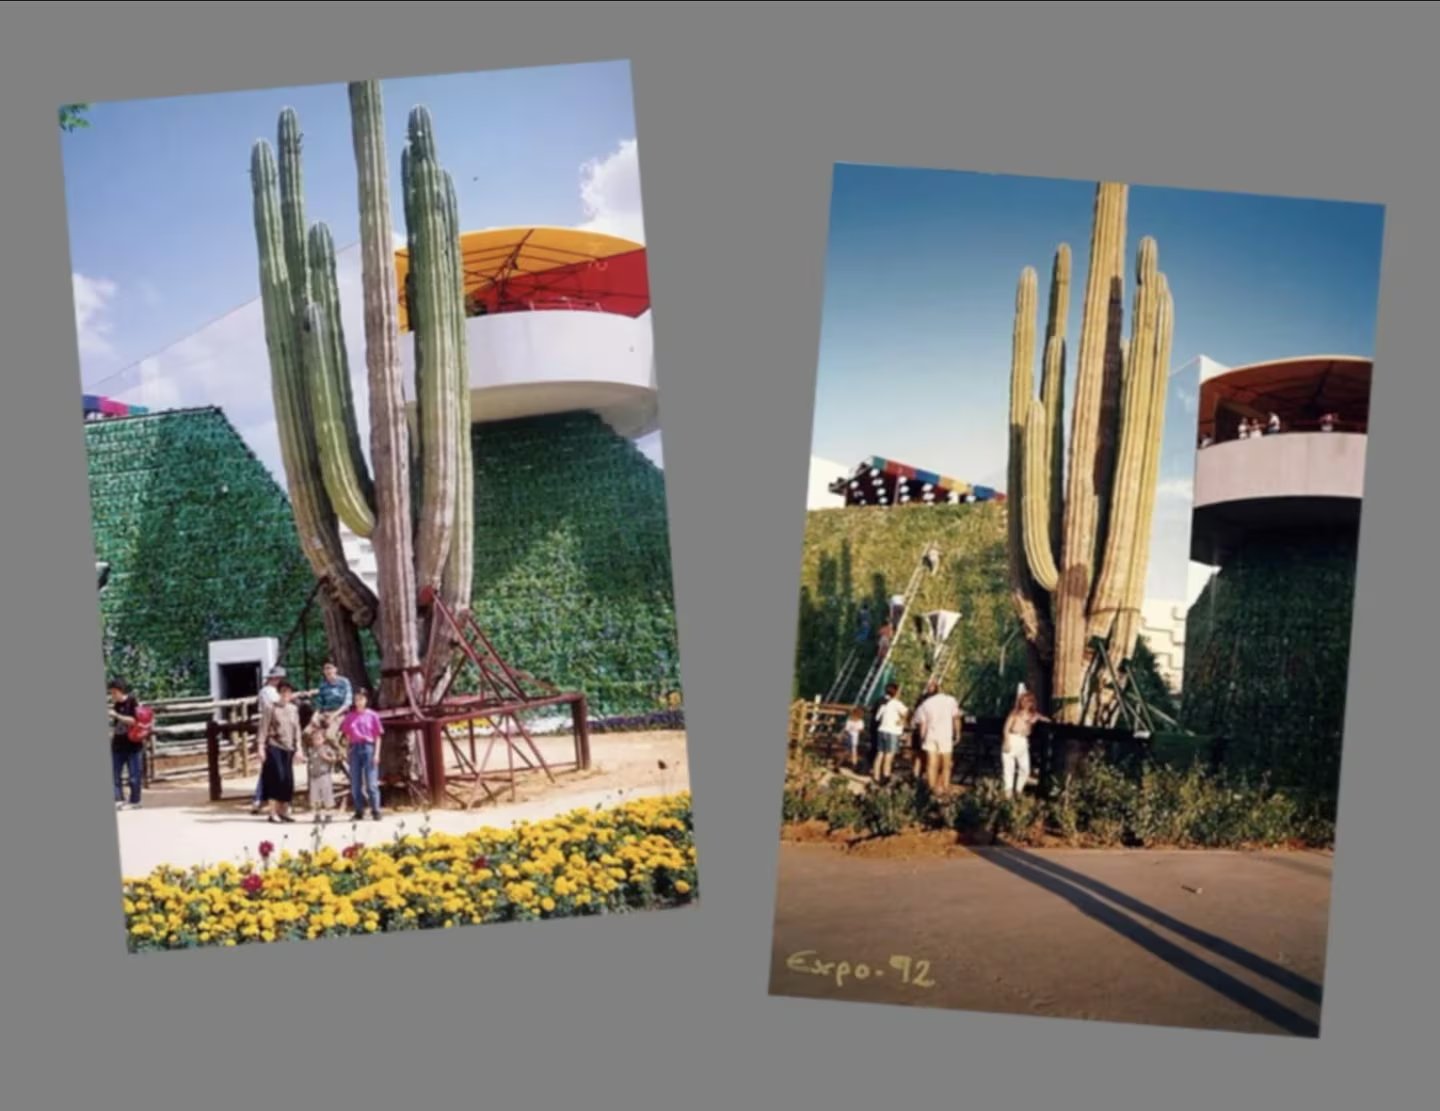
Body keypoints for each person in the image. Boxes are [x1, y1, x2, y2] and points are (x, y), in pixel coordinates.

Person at [259, 681, 303, 824]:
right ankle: (272, 812)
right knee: (276, 777)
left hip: (288, 747)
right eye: (283, 691)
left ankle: (283, 811)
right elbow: (263, 727)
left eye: (289, 692)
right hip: (274, 745)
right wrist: (260, 746)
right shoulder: (270, 708)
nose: (286, 694)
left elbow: (297, 729)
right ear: (279, 693)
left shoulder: (293, 709)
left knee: (287, 779)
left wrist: (299, 747)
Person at [340, 689, 385, 822]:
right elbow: (347, 735)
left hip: (368, 747)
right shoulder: (350, 717)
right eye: (356, 699)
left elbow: (378, 736)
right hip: (355, 748)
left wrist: (377, 753)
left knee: (371, 783)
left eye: (361, 699)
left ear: (366, 700)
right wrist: (347, 751)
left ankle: (376, 810)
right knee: (355, 783)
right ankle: (359, 810)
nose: (359, 702)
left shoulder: (373, 715)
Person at [912, 681, 963, 796]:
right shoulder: (950, 701)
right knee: (946, 764)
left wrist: (922, 738)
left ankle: (932, 788)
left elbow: (922, 724)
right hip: (945, 735)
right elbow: (956, 718)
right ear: (940, 689)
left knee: (931, 764)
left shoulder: (925, 704)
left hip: (931, 735)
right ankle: (945, 787)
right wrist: (958, 733)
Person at [1000, 690, 1049, 800]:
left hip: (1023, 740)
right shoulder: (1014, 713)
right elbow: (1006, 728)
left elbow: (1045, 719)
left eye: (1028, 701)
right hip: (1013, 737)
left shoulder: (1033, 715)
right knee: (1009, 768)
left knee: (1025, 768)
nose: (1025, 703)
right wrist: (1006, 741)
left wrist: (1038, 720)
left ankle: (1018, 790)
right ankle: (1008, 794)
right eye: (1023, 701)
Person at [251, 666, 286, 814]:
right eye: (277, 678)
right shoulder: (267, 692)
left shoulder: (272, 691)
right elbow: (276, 705)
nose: (278, 680)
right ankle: (259, 798)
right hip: (270, 728)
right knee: (269, 767)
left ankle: (263, 799)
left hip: (275, 727)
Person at [108, 679, 143, 810]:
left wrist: (117, 715)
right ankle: (118, 799)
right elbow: (117, 726)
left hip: (133, 745)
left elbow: (134, 721)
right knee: (114, 774)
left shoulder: (132, 702)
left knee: (134, 776)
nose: (112, 695)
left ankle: (135, 801)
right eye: (111, 693)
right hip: (118, 744)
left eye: (114, 692)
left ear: (121, 691)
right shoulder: (116, 704)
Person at [871, 683, 908, 786]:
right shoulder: (897, 703)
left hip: (882, 729)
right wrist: (902, 720)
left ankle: (876, 776)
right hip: (892, 732)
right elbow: (906, 712)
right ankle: (886, 775)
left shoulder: (884, 703)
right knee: (889, 755)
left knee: (880, 754)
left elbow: (877, 717)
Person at [305, 720, 340, 818]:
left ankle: (329, 814)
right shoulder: (311, 750)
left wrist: (326, 757)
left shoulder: (326, 748)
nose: (316, 741)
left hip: (324, 775)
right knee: (315, 796)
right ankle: (317, 814)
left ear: (323, 739)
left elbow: (334, 759)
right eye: (314, 739)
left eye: (319, 739)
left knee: (327, 794)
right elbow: (310, 761)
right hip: (314, 776)